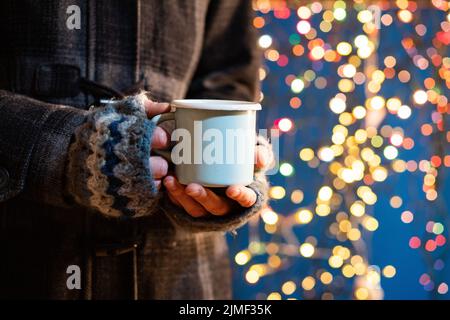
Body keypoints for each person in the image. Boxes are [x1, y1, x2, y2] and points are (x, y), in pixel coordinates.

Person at [0, 0, 273, 299]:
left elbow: (228, 82)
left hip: (182, 279)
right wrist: (68, 151)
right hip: (25, 264)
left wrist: (227, 169)